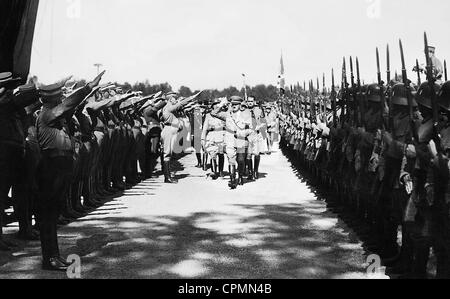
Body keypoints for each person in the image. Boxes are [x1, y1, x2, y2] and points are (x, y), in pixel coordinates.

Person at [36, 71, 104, 271]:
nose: (61, 97)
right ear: (51, 98)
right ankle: (49, 258)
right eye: (58, 95)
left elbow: (67, 107)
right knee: (48, 216)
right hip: (51, 167)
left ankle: (54, 256)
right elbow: (68, 105)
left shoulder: (55, 117)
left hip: (59, 167)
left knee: (52, 214)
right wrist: (88, 87)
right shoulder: (47, 114)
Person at [160, 92, 201, 183]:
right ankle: (167, 178)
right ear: (170, 99)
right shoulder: (168, 107)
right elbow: (180, 104)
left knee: (169, 154)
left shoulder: (170, 107)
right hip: (169, 131)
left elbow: (181, 107)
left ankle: (168, 176)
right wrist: (191, 97)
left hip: (172, 131)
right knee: (167, 154)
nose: (176, 100)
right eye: (175, 98)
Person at [202, 99, 226, 180]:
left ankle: (221, 171)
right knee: (212, 154)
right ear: (212, 106)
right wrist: (203, 139)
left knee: (221, 154)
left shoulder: (223, 114)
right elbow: (204, 128)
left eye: (218, 104)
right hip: (211, 136)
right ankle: (214, 172)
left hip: (221, 135)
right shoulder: (208, 115)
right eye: (215, 104)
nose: (216, 105)